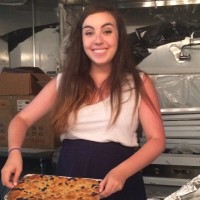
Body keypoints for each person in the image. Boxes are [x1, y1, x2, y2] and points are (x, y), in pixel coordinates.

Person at [1, 2, 165, 200]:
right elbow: (21, 120)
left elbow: (156, 140)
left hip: (122, 181)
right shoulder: (63, 83)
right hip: (69, 180)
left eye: (107, 31)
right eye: (89, 33)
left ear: (119, 37)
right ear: (81, 39)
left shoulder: (139, 82)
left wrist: (122, 172)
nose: (98, 40)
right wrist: (14, 152)